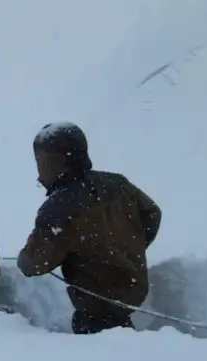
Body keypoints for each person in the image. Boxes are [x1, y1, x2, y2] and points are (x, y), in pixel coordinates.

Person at [17, 122, 162, 334]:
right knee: (123, 345)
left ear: (50, 162)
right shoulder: (117, 183)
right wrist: (129, 248)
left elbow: (35, 263)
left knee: (99, 358)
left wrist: (24, 258)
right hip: (131, 292)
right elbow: (152, 214)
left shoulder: (58, 208)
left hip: (95, 307)